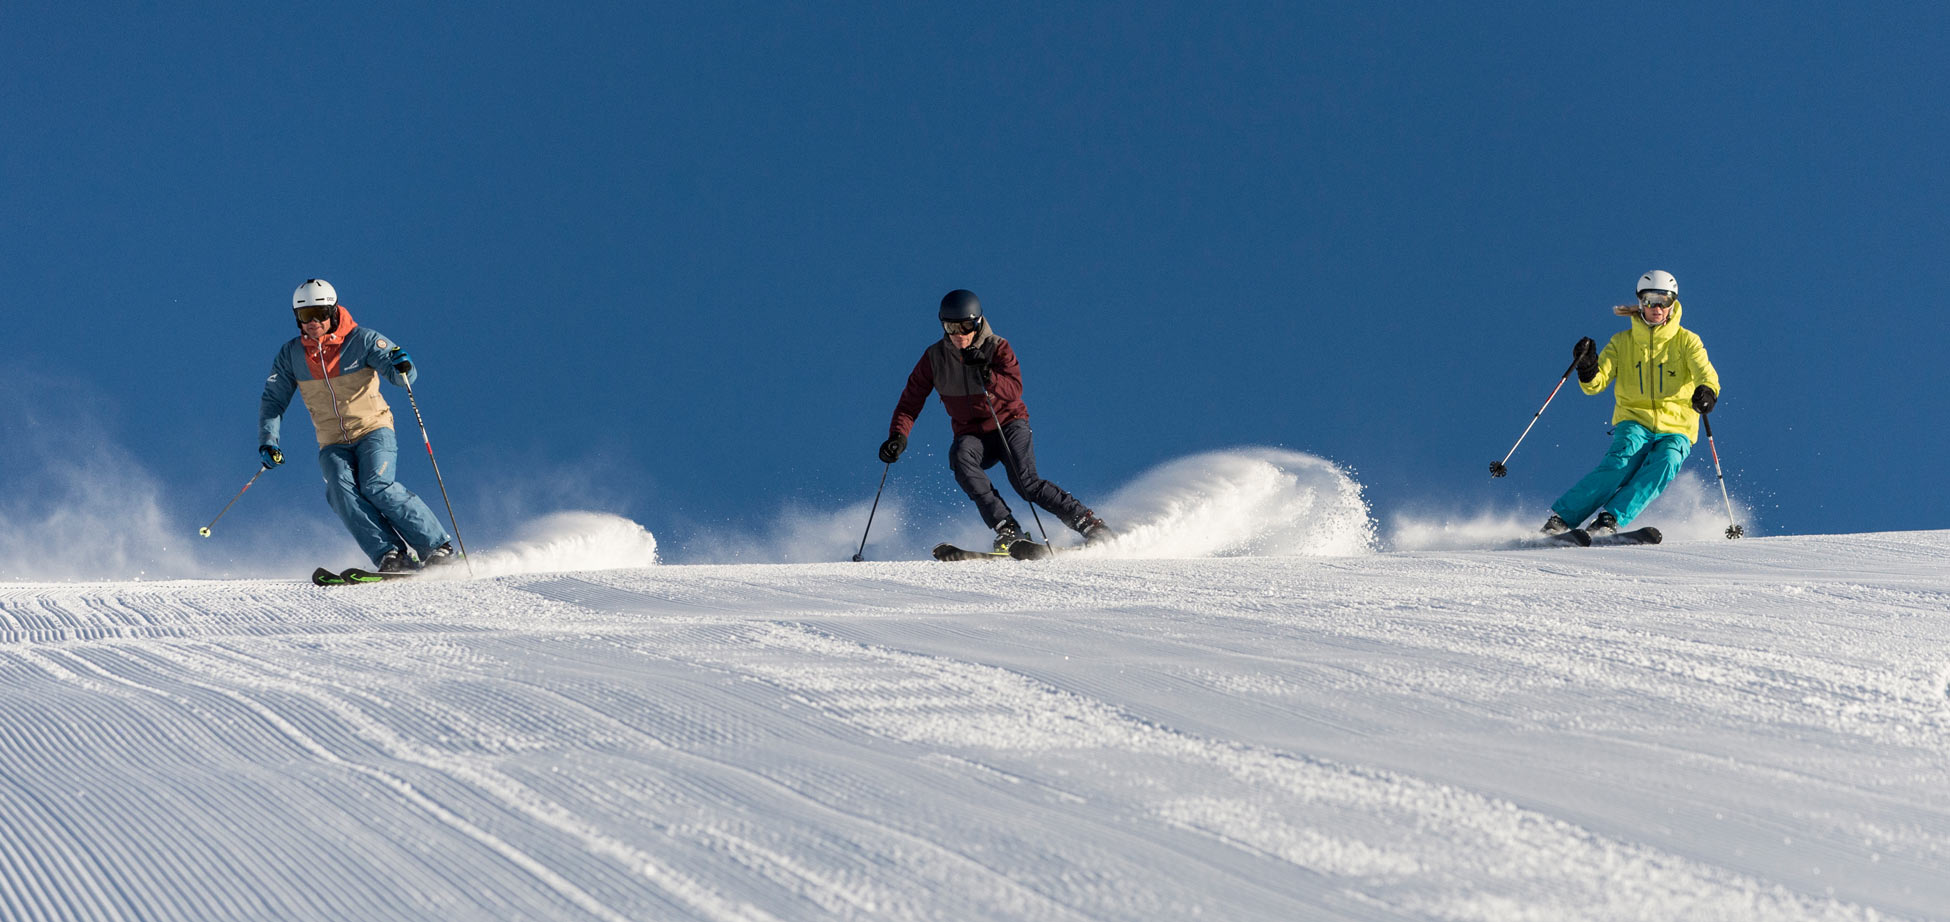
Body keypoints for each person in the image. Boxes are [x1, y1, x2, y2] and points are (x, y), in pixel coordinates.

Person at [880, 289, 1112, 551]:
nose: (958, 334)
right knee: (960, 457)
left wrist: (988, 374)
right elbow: (910, 402)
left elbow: (1014, 389)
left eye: (965, 326)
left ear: (978, 323)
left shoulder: (998, 347)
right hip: (971, 434)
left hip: (1008, 424)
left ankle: (1090, 524)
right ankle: (1008, 528)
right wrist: (898, 437)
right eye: (950, 327)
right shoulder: (935, 358)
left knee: (1026, 483)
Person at [258, 279, 459, 571]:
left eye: (320, 313)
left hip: (372, 429)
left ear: (333, 310)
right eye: (305, 316)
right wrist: (269, 439)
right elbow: (273, 400)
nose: (313, 322)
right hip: (332, 442)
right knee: (340, 492)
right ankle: (392, 555)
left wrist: (404, 366)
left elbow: (399, 374)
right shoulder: (291, 355)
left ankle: (437, 547)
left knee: (376, 485)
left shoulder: (362, 339)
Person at [1543, 270, 1721, 536]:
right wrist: (1588, 367)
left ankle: (1609, 519)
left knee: (1668, 460)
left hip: (1677, 425)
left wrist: (1707, 391)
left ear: (1673, 302)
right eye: (1650, 300)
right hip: (1635, 419)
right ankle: (1563, 519)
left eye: (1664, 300)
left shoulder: (1686, 341)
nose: (1657, 308)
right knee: (1622, 460)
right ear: (1640, 302)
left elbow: (1705, 373)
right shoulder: (1621, 343)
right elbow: (1595, 385)